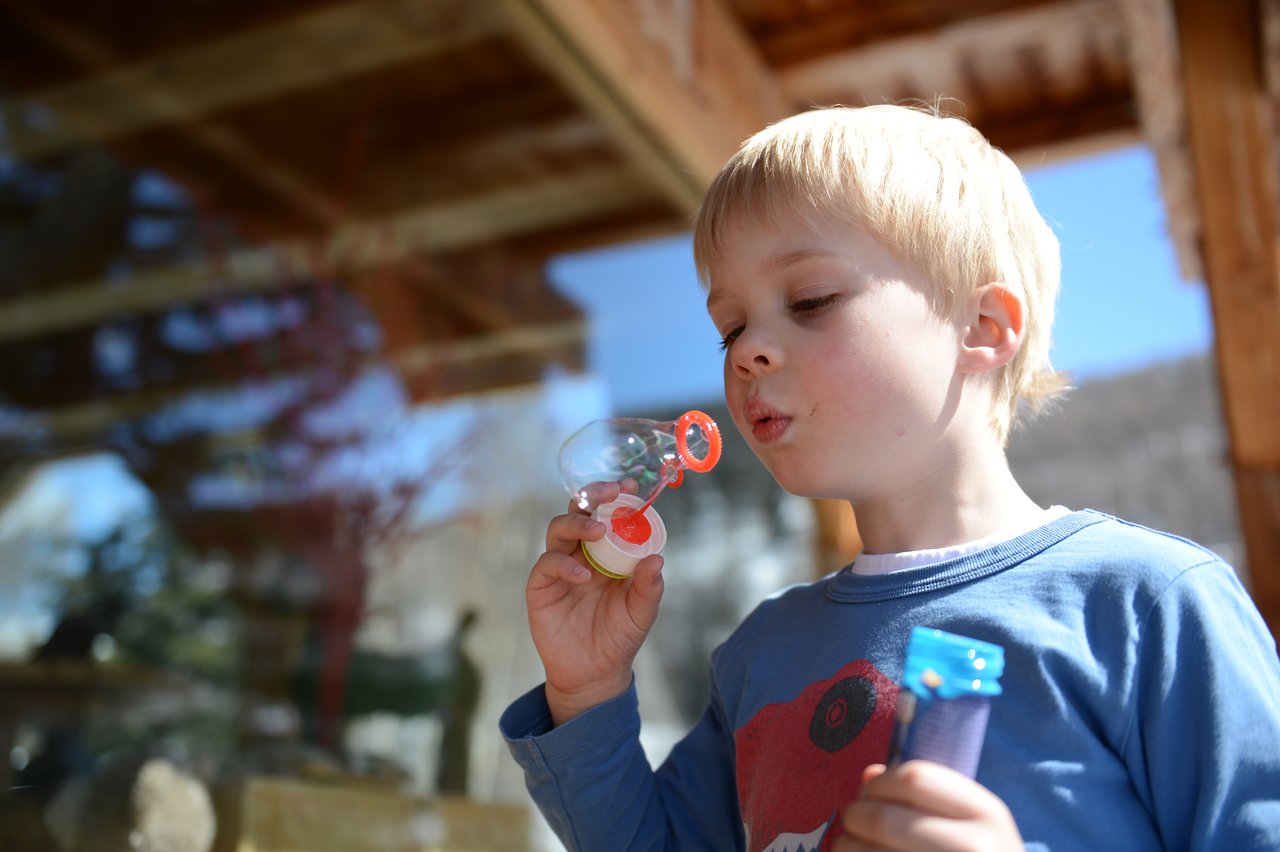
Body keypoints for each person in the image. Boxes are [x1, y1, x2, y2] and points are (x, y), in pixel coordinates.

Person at [499, 104, 1280, 850]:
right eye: (730, 326)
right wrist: (587, 689)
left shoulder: (1145, 605)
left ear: (983, 329)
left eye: (810, 299)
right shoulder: (760, 654)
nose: (744, 352)